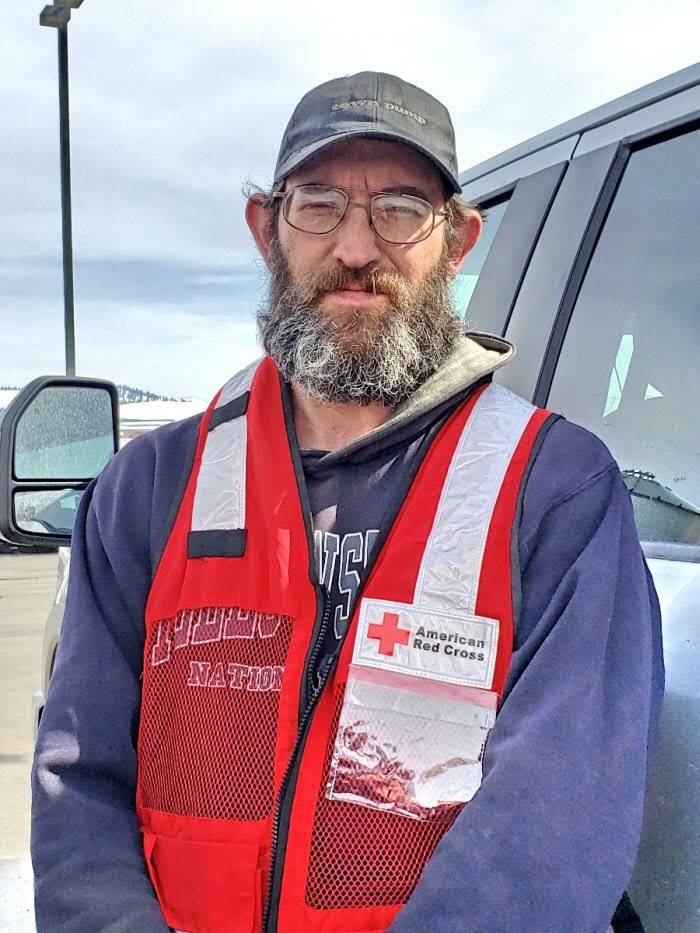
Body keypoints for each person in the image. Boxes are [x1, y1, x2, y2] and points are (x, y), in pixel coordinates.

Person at [31, 72, 663, 933]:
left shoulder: (558, 491)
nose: (358, 248)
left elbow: (555, 825)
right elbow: (78, 784)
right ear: (267, 229)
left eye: (400, 208)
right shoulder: (148, 488)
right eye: (320, 204)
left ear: (458, 240)